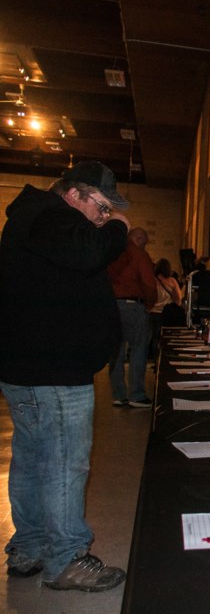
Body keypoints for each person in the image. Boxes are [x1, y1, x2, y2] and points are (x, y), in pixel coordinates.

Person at [0, 160, 130, 591]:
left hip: (34, 365)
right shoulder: (48, 215)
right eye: (102, 207)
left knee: (34, 460)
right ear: (74, 194)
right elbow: (91, 251)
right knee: (63, 463)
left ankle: (31, 546)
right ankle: (66, 558)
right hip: (52, 369)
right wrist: (119, 229)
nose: (104, 217)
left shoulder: (36, 219)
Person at [107, 227, 156, 408]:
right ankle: (136, 394)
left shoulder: (112, 253)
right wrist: (148, 304)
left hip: (113, 305)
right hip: (134, 306)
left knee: (116, 352)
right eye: (144, 241)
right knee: (138, 349)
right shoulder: (139, 255)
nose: (144, 245)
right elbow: (149, 283)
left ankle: (119, 394)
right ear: (138, 238)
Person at [149, 258, 184, 356]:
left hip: (152, 311)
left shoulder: (152, 280)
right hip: (166, 313)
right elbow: (178, 298)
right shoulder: (172, 281)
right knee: (164, 336)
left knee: (153, 336)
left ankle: (154, 356)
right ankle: (162, 356)